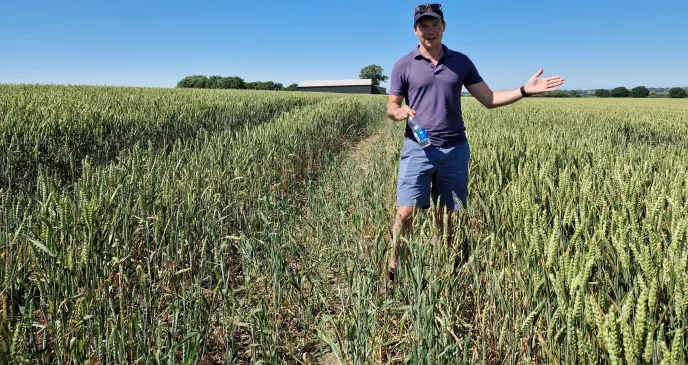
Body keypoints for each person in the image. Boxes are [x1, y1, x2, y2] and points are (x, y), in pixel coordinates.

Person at [386, 3, 564, 284]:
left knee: (448, 215)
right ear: (415, 30)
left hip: (455, 148)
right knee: (405, 211)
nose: (429, 30)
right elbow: (392, 106)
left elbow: (489, 99)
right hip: (418, 148)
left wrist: (524, 90)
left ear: (443, 27)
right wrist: (401, 112)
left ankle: (443, 269)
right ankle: (394, 266)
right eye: (423, 25)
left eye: (434, 24)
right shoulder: (403, 65)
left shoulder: (461, 61)